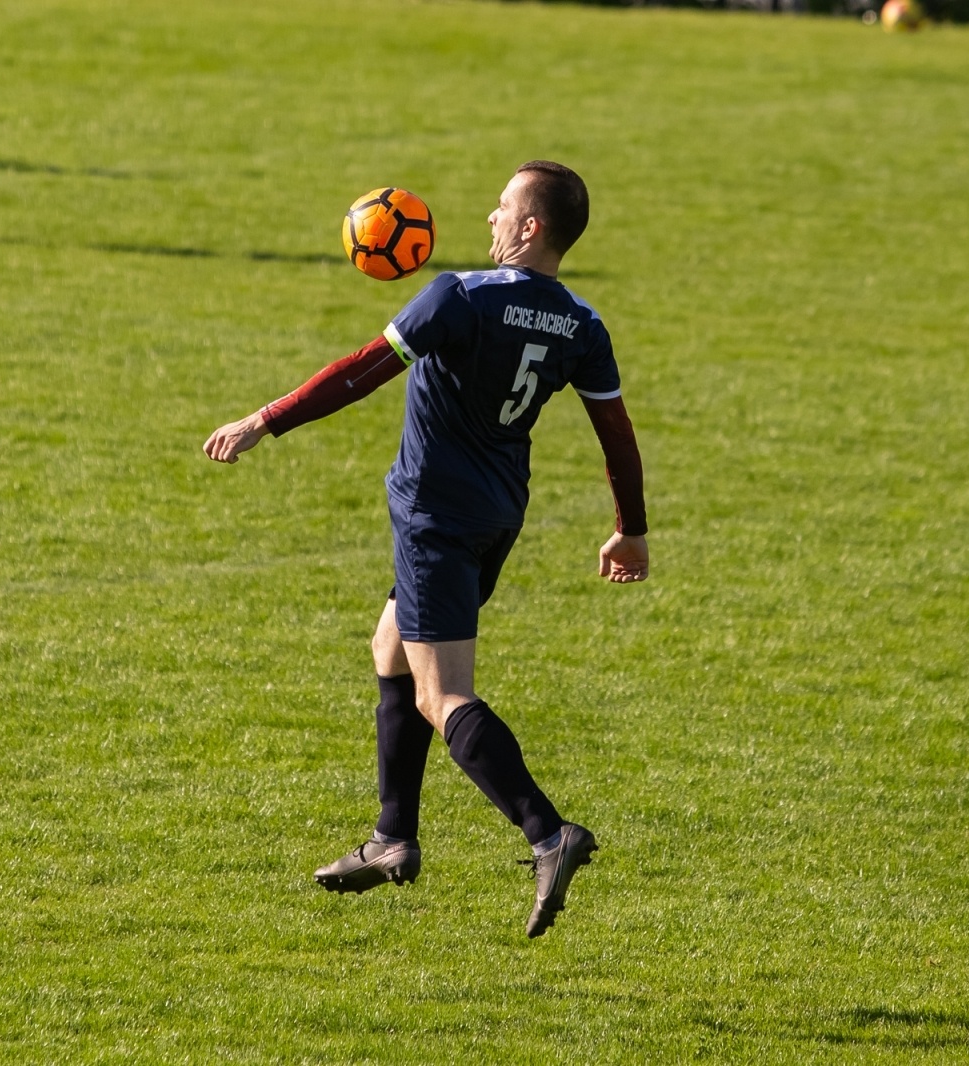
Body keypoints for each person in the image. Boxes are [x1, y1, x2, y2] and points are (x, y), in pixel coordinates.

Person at [204, 161, 649, 938]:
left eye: (503, 207)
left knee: (442, 695)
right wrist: (631, 528)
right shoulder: (583, 323)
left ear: (531, 227)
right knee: (391, 647)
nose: (489, 217)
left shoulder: (460, 296)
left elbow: (361, 374)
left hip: (434, 518)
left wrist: (262, 420)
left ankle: (548, 832)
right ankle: (392, 838)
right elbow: (616, 433)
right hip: (496, 515)